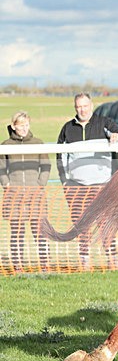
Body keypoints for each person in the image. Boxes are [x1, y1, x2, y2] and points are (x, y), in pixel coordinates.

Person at [56, 92, 118, 270]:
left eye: (85, 106)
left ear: (91, 105)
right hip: (77, 187)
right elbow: (60, 156)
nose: (82, 110)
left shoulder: (104, 123)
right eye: (78, 106)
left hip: (101, 185)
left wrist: (117, 136)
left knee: (105, 223)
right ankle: (84, 261)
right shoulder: (67, 128)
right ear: (75, 108)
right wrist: (65, 181)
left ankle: (112, 259)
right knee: (82, 225)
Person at [0, 111, 51, 273]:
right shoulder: (6, 145)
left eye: (26, 125)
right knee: (17, 232)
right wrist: (6, 184)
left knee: (39, 232)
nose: (24, 128)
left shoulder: (38, 143)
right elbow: (1, 168)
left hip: (35, 194)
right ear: (14, 126)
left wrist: (40, 183)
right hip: (14, 195)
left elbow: (46, 165)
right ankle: (18, 266)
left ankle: (45, 265)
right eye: (21, 125)